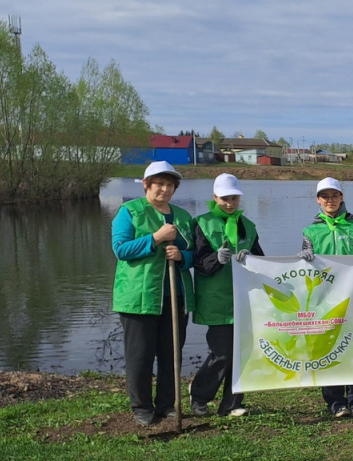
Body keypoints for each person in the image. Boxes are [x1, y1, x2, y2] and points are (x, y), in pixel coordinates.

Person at [111, 161, 194, 427]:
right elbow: (121, 250)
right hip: (139, 297)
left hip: (176, 295)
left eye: (170, 185)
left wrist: (182, 256)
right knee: (140, 354)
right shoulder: (129, 211)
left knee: (172, 353)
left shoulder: (183, 216)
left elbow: (196, 253)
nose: (165, 189)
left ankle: (167, 404)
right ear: (146, 184)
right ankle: (141, 407)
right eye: (159, 184)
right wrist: (155, 238)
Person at [298, 177, 353, 418]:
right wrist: (302, 257)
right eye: (325, 196)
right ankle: (335, 401)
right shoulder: (310, 231)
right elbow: (304, 268)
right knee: (328, 348)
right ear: (318, 200)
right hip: (324, 301)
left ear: (342, 197)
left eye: (334, 195)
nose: (330, 200)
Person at [189, 173, 264, 418]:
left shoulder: (248, 226)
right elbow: (198, 263)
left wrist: (251, 260)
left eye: (234, 198)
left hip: (244, 299)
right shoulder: (202, 223)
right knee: (221, 353)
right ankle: (199, 395)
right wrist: (217, 259)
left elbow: (262, 261)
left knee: (242, 352)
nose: (230, 203)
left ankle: (232, 403)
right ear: (214, 197)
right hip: (216, 298)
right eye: (224, 199)